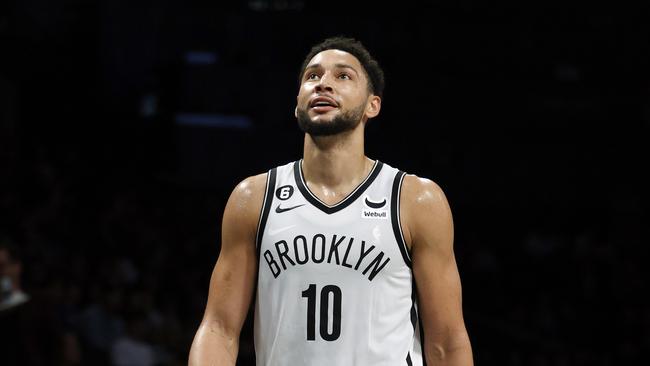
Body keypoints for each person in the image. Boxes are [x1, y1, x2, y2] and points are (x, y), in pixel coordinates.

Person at [189, 36, 473, 365]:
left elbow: (447, 341)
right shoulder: (253, 199)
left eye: (343, 76)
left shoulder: (415, 200)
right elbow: (219, 328)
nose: (323, 84)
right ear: (297, 103)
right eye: (312, 76)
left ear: (373, 105)